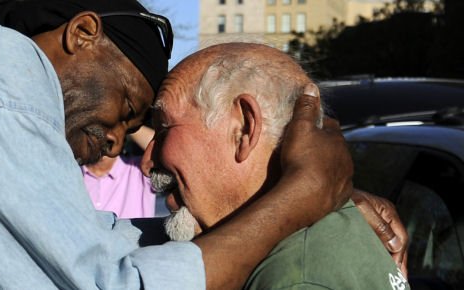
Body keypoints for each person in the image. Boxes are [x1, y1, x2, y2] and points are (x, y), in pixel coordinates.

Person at [0, 0, 404, 289]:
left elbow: (102, 251)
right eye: (128, 108)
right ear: (82, 35)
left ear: (246, 128)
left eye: (147, 124)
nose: (121, 144)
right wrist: (302, 194)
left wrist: (314, 194)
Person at [141, 42, 410, 289]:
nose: (147, 162)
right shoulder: (311, 249)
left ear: (244, 129)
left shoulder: (296, 278)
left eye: (164, 129)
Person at [82, 126, 157, 218]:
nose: (101, 143)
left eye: (109, 140)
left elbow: (162, 146)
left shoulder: (138, 170)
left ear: (123, 141)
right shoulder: (71, 174)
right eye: (94, 137)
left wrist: (125, 125)